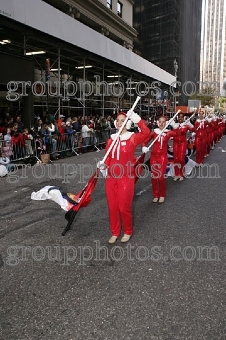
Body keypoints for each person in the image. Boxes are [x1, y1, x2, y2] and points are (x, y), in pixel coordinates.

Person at [98, 110, 151, 244]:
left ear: (127, 123)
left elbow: (146, 133)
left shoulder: (132, 138)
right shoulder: (111, 139)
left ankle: (127, 231)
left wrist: (137, 119)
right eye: (118, 120)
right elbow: (109, 158)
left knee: (123, 207)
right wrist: (103, 165)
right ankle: (115, 232)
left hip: (126, 177)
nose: (119, 122)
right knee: (112, 207)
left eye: (123, 120)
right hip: (111, 177)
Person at [142, 116, 181, 204]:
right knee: (154, 176)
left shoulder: (168, 133)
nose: (161, 123)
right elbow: (145, 141)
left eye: (163, 122)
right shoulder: (154, 132)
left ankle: (162, 194)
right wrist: (144, 147)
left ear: (166, 123)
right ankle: (156, 195)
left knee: (160, 177)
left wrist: (174, 125)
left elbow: (178, 133)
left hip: (162, 157)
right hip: (153, 157)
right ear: (157, 122)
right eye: (160, 121)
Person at [172, 112, 194, 181]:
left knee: (181, 159)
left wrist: (190, 125)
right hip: (175, 143)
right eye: (179, 117)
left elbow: (194, 130)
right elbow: (172, 134)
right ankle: (176, 174)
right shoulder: (175, 125)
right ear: (177, 118)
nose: (180, 118)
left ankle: (181, 174)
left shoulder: (186, 125)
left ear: (183, 118)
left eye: (181, 117)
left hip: (182, 144)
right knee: (176, 159)